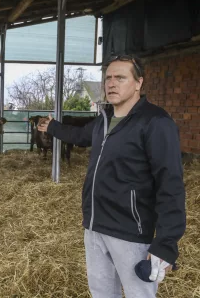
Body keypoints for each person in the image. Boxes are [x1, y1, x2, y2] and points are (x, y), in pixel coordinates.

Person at [38, 55, 186, 298]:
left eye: (120, 77)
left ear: (138, 83)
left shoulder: (156, 122)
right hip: (95, 228)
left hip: (131, 233)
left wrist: (167, 242)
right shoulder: (103, 120)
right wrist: (52, 127)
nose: (112, 84)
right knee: (102, 293)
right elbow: (80, 136)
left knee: (140, 294)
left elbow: (170, 183)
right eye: (108, 78)